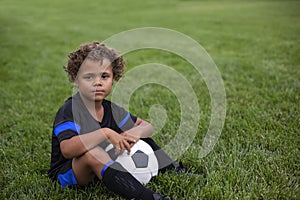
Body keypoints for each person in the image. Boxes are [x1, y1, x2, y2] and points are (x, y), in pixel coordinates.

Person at [48, 41, 186, 200]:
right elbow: (67, 149)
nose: (98, 82)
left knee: (140, 136)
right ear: (76, 79)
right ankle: (148, 197)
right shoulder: (70, 109)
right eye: (88, 77)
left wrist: (134, 133)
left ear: (114, 78)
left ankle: (171, 168)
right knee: (94, 153)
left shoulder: (111, 109)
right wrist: (105, 133)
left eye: (104, 76)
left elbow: (147, 127)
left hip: (99, 166)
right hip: (68, 173)